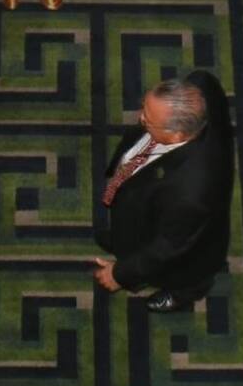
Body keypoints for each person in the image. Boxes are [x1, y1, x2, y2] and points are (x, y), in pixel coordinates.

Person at [92, 72, 233, 313]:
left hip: (186, 247)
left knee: (185, 272)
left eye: (148, 118)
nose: (140, 118)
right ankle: (123, 239)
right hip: (161, 209)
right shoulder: (200, 86)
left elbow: (167, 247)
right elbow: (204, 78)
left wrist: (120, 274)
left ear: (177, 134)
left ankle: (185, 293)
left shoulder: (191, 193)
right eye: (144, 108)